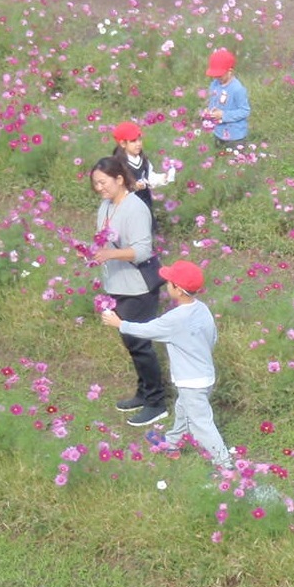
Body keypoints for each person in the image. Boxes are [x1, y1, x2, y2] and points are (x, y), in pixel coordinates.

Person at [101, 260, 229, 467]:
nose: (167, 285)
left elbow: (146, 330)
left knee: (201, 424)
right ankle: (172, 443)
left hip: (191, 381)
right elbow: (212, 337)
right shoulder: (203, 309)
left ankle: (224, 464)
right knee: (183, 410)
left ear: (177, 290)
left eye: (169, 283)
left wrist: (120, 323)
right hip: (205, 375)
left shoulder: (175, 319)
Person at [91, 155, 168, 427]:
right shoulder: (106, 205)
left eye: (103, 182)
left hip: (138, 286)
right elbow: (104, 237)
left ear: (119, 179)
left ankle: (157, 402)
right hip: (118, 283)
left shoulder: (135, 208)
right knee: (131, 342)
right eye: (95, 184)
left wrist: (110, 253)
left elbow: (143, 250)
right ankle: (144, 393)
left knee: (139, 343)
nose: (99, 188)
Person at [202, 48, 250, 148]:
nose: (216, 78)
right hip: (218, 131)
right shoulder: (214, 84)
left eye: (219, 75)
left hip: (235, 136)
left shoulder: (237, 89)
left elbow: (245, 111)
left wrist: (224, 115)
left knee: (234, 160)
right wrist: (209, 111)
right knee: (219, 158)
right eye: (214, 75)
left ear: (230, 71)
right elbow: (213, 100)